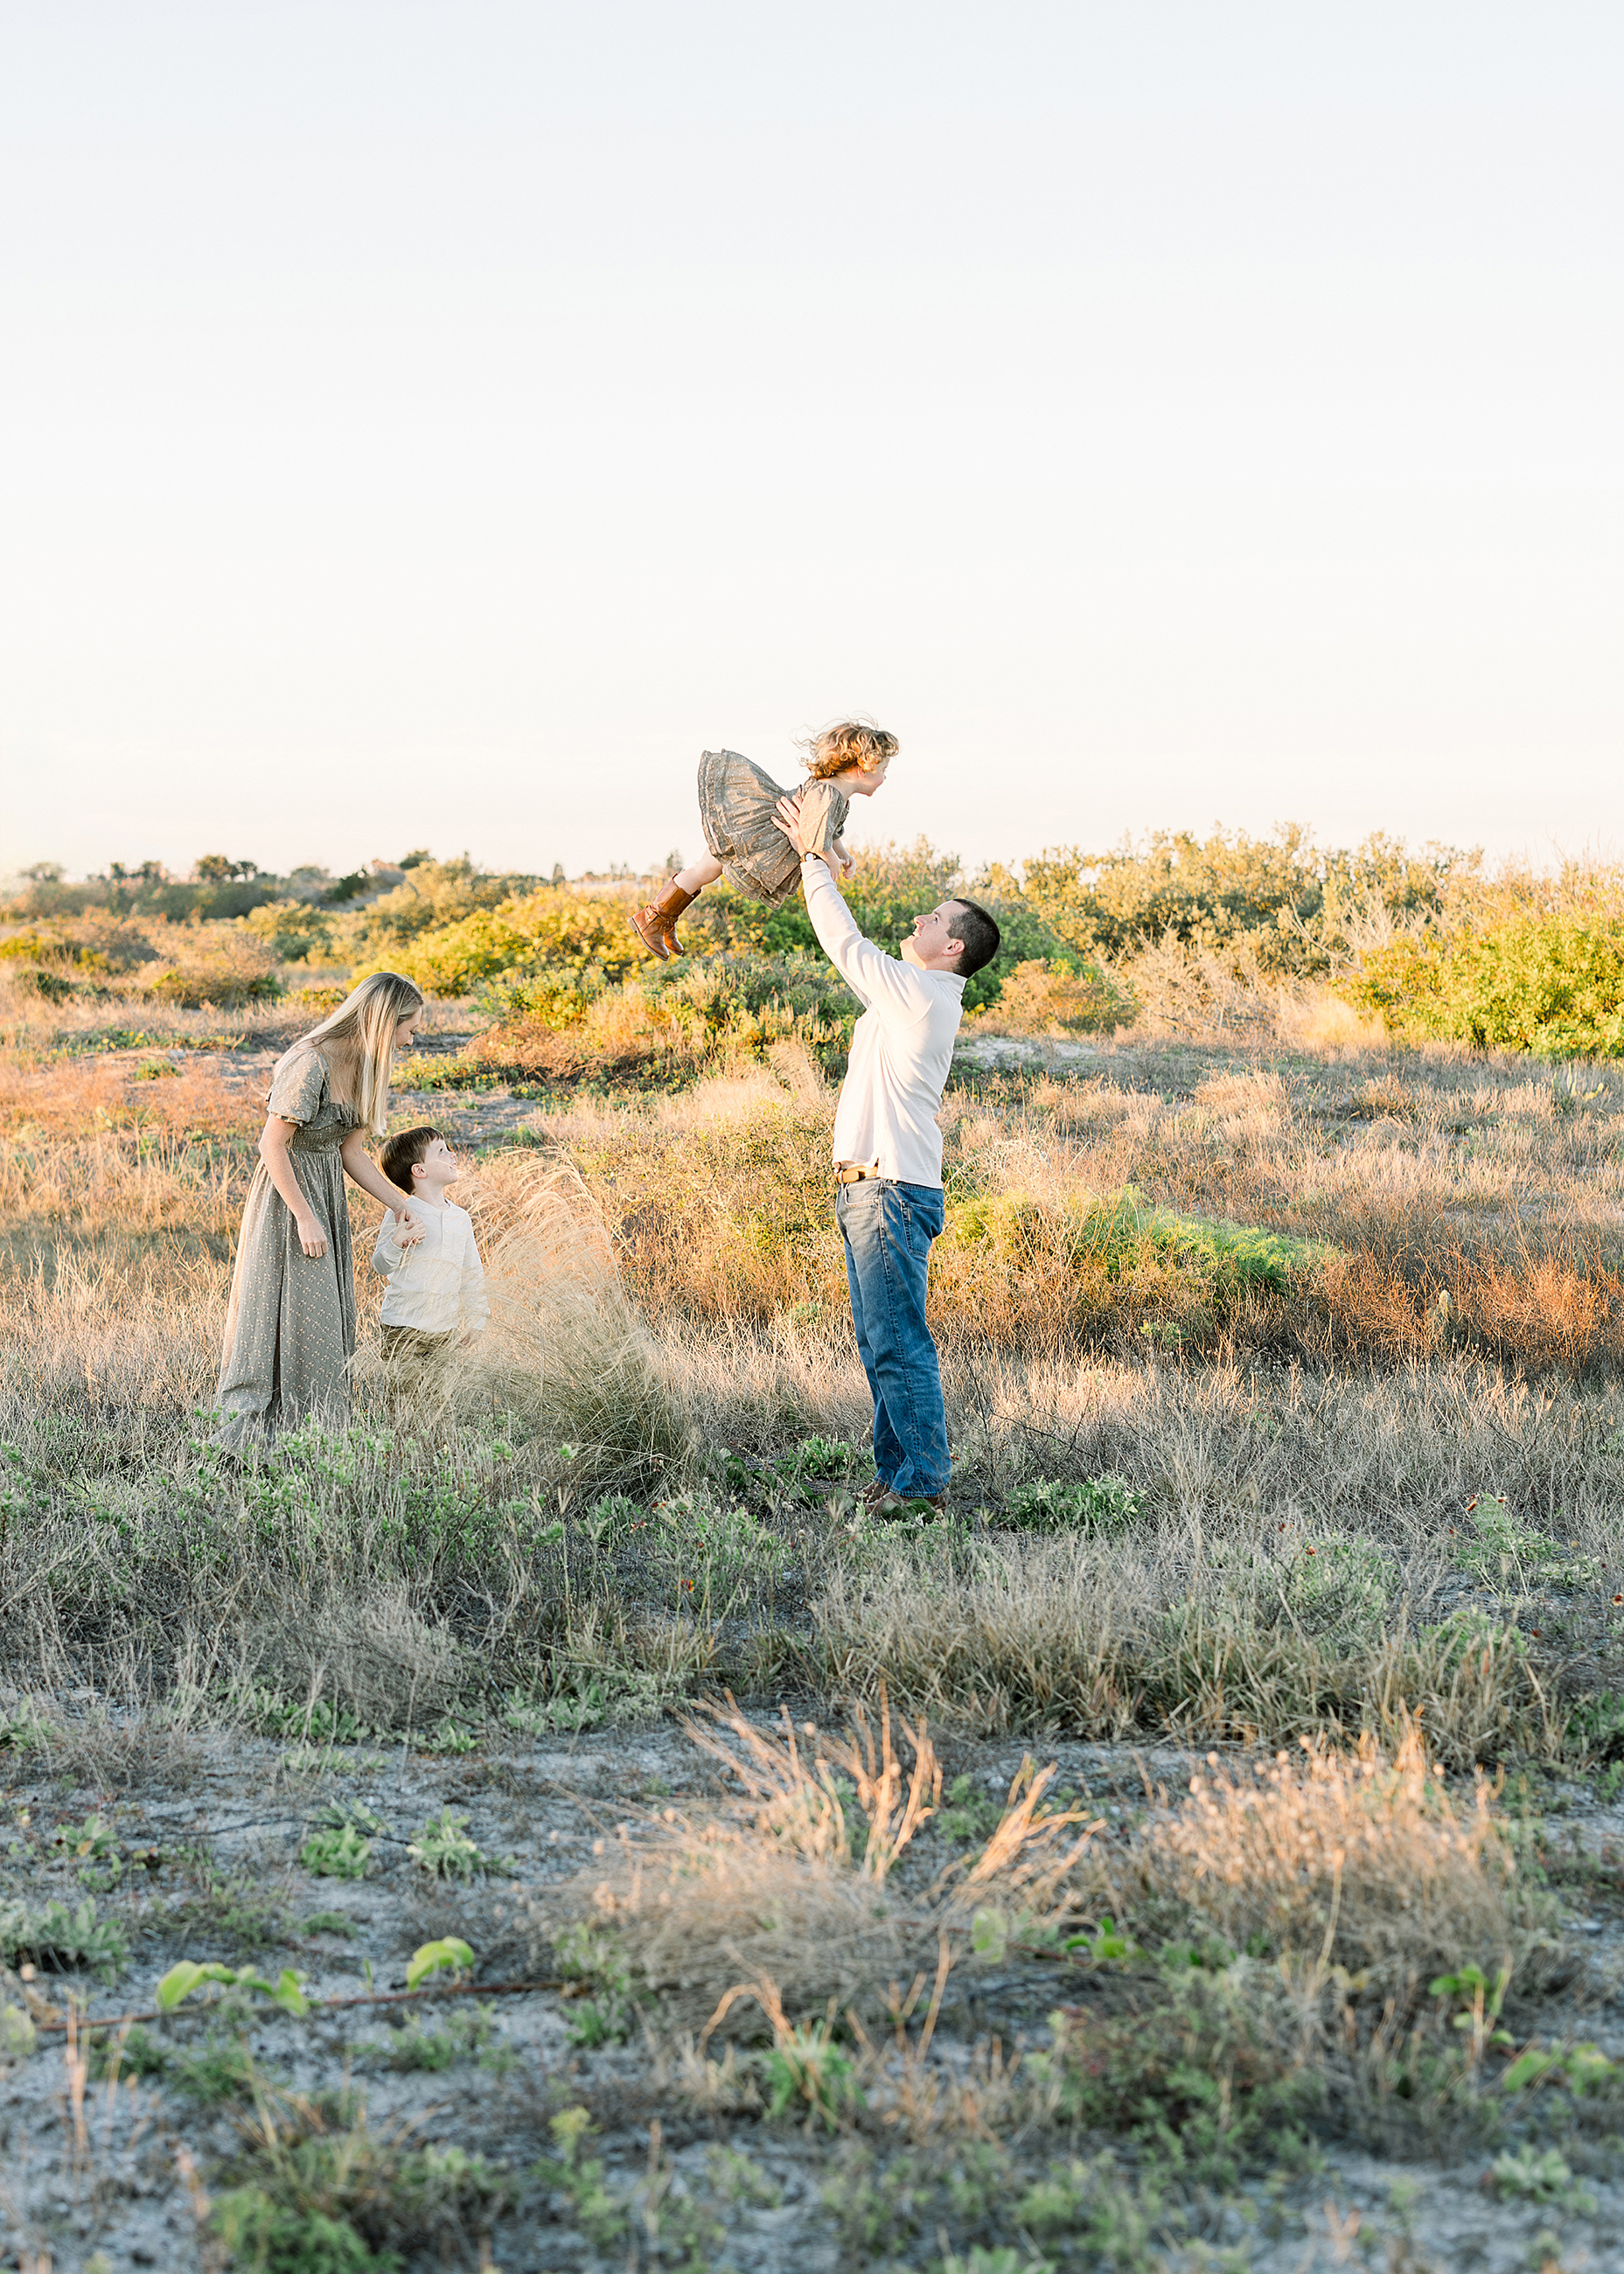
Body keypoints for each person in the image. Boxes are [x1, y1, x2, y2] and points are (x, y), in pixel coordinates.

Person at [773, 792, 1001, 1518]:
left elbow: (844, 942)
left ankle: (923, 1485)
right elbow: (861, 945)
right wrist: (830, 854)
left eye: (930, 919)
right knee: (880, 1345)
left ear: (952, 947)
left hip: (890, 1192)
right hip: (869, 1190)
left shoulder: (924, 998)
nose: (916, 922)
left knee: (899, 1345)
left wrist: (814, 863)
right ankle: (895, 1474)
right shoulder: (907, 996)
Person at [215, 971, 427, 1447]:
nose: (411, 1040)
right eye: (408, 1028)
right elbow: (271, 1145)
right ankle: (268, 1431)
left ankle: (318, 1432)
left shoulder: (366, 1066)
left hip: (326, 1193)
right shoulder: (310, 1063)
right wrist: (304, 1216)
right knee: (289, 1309)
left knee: (325, 1315)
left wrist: (402, 1204)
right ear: (382, 1020)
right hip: (289, 1198)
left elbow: (351, 1153)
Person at [629, 720, 897, 960]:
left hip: (759, 834)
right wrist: (831, 862)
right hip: (759, 833)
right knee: (705, 870)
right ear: (863, 769)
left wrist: (842, 853)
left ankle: (660, 918)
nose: (885, 777)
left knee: (705, 870)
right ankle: (654, 919)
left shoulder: (836, 793)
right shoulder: (829, 792)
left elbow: (830, 830)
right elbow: (813, 836)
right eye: (883, 769)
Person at [372, 1126, 489, 1391]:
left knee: (439, 1407)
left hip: (445, 1330)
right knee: (403, 1406)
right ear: (420, 1170)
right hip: (403, 1328)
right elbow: (380, 1264)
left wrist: (477, 1316)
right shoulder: (402, 1213)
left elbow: (472, 1272)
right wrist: (397, 1242)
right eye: (442, 1151)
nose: (453, 1155)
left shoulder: (461, 1218)